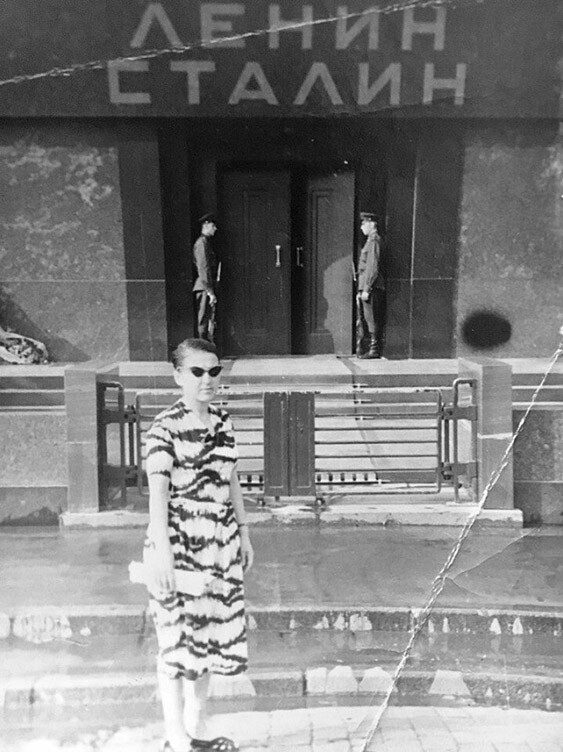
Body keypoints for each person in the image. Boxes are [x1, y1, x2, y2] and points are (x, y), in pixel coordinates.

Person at [144, 338, 253, 752]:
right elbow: (158, 497)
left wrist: (244, 531)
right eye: (197, 372)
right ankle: (176, 738)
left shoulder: (223, 422)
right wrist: (162, 553)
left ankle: (195, 730)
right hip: (178, 543)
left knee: (208, 639)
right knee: (176, 642)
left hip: (220, 545)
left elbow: (231, 478)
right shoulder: (164, 427)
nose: (207, 379)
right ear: (178, 376)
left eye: (214, 371)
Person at [356, 211, 386, 359]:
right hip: (367, 286)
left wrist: (366, 288)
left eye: (364, 223)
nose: (362, 226)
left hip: (372, 286)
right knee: (368, 317)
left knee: (371, 317)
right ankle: (372, 348)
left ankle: (374, 349)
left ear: (372, 224)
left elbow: (372, 267)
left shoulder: (374, 241)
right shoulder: (370, 240)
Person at [193, 214, 219, 342]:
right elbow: (203, 269)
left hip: (206, 286)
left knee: (208, 319)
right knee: (203, 320)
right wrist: (210, 292)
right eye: (213, 226)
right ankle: (202, 347)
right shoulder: (202, 243)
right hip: (204, 287)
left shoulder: (205, 242)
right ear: (206, 225)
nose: (215, 228)